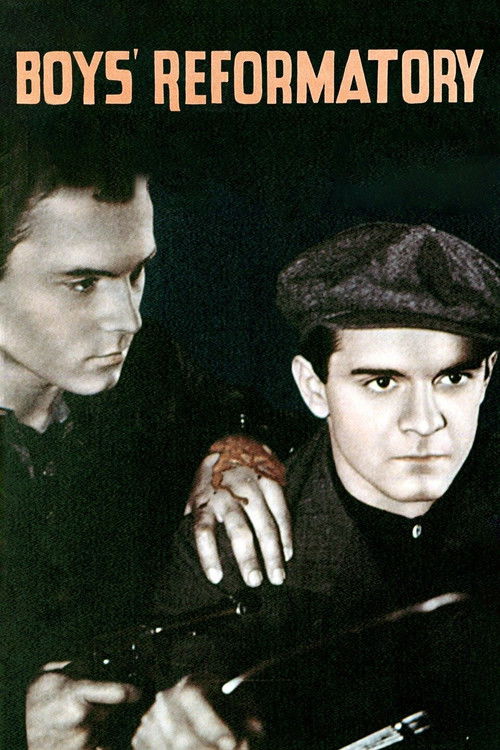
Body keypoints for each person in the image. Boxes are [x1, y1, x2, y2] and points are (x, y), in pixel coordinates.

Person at [132, 222, 499, 749]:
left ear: (487, 376)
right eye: (382, 382)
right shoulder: (231, 550)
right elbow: (181, 697)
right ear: (314, 388)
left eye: (453, 378)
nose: (424, 422)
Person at [0, 128, 292, 749]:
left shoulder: (150, 367)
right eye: (82, 283)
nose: (127, 319)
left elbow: (245, 415)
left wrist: (234, 450)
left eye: (136, 274)